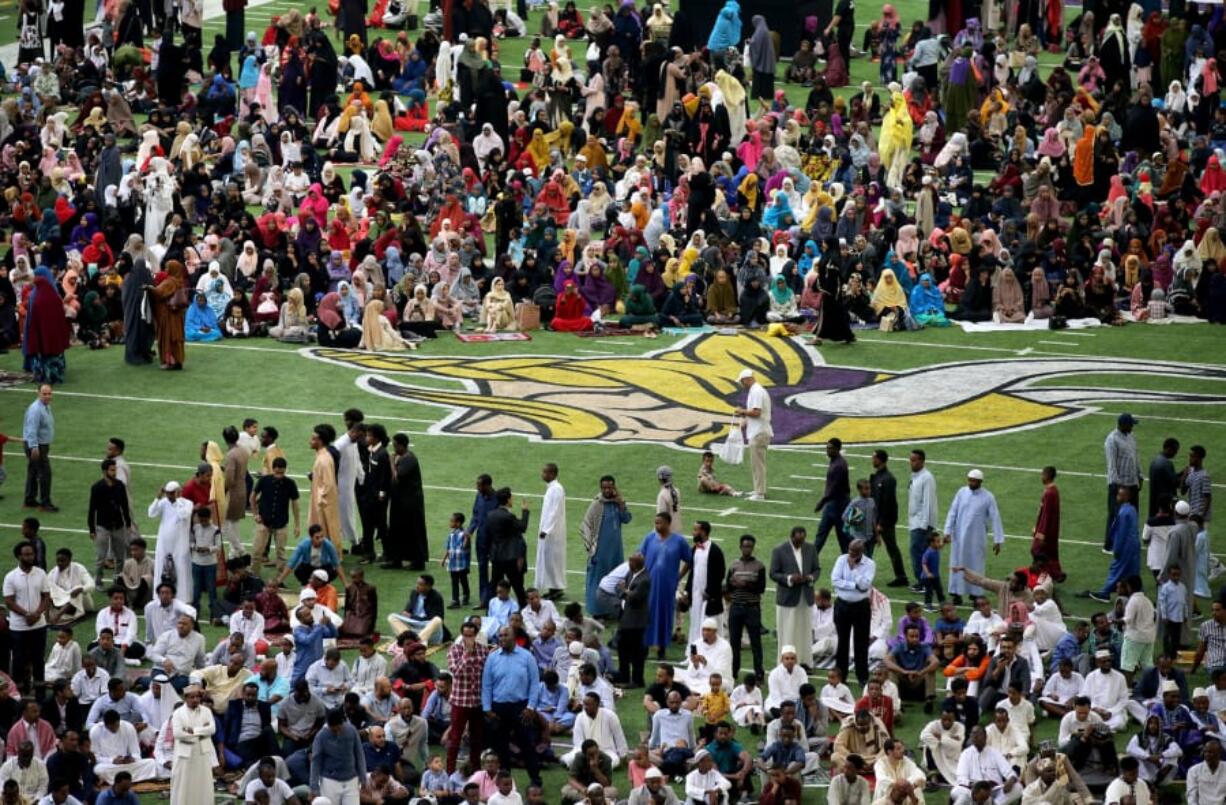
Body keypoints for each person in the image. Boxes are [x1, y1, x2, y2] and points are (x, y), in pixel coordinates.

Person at [481, 627, 542, 787]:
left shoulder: (527, 657)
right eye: (500, 635)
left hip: (521, 708)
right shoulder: (492, 658)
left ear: (514, 636)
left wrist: (531, 707)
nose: (502, 638)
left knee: (527, 745)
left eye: (506, 635)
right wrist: (487, 709)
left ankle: (535, 779)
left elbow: (535, 684)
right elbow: (486, 685)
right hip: (498, 709)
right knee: (500, 747)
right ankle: (505, 781)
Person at [944, 470, 1005, 606]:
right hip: (959, 537)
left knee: (976, 565)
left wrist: (998, 540)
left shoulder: (988, 497)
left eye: (974, 481)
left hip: (977, 539)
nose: (971, 483)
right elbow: (952, 512)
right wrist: (947, 531)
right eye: (969, 480)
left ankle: (975, 594)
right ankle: (956, 594)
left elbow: (995, 517)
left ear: (980, 482)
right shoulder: (961, 492)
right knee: (957, 564)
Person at [639, 513, 691, 661]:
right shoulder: (649, 538)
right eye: (655, 523)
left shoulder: (679, 541)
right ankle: (645, 647)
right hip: (649, 584)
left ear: (668, 524)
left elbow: (689, 560)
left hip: (667, 586)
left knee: (664, 615)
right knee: (647, 615)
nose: (657, 526)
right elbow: (640, 556)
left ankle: (662, 648)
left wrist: (678, 577)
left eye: (660, 523)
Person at [581, 476, 631, 619]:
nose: (607, 490)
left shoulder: (617, 503)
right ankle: (597, 611)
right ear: (600, 488)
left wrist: (621, 503)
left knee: (615, 580)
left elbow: (627, 519)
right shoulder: (597, 504)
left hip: (615, 550)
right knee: (597, 580)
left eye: (610, 487)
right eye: (604, 488)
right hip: (600, 551)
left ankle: (612, 610)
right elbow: (585, 527)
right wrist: (591, 550)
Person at [5, 541, 50, 693]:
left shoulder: (41, 573)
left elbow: (46, 596)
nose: (30, 557)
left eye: (32, 554)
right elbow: (9, 601)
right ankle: (19, 694)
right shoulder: (11, 577)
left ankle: (40, 694)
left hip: (39, 625)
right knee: (18, 660)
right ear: (19, 556)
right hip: (19, 627)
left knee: (38, 660)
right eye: (27, 554)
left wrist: (37, 614)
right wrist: (26, 614)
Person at [770, 527, 819, 669]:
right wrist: (790, 578)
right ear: (792, 537)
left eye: (802, 540)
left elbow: (817, 569)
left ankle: (805, 662)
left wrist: (810, 577)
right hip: (787, 597)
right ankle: (785, 662)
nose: (800, 543)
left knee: (805, 630)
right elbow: (773, 573)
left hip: (805, 596)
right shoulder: (779, 550)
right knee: (788, 631)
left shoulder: (810, 548)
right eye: (798, 540)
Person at [832, 539, 876, 687]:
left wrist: (855, 571)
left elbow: (864, 586)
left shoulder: (869, 564)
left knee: (861, 643)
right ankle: (841, 676)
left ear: (861, 552)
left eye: (854, 552)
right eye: (849, 550)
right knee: (842, 642)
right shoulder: (841, 559)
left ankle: (862, 677)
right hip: (842, 605)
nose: (850, 554)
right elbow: (835, 580)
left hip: (861, 607)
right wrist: (854, 585)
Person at [725, 535, 766, 682]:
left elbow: (761, 588)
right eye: (745, 546)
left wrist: (744, 584)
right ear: (740, 547)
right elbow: (727, 586)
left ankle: (759, 673)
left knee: (756, 643)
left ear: (753, 548)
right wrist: (730, 586)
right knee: (734, 643)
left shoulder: (759, 566)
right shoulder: (733, 565)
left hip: (752, 608)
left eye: (749, 546)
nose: (747, 549)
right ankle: (733, 672)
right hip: (736, 608)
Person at [170, 686, 218, 805]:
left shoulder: (206, 711)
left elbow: (212, 729)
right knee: (183, 784)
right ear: (185, 698)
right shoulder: (178, 713)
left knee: (202, 783)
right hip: (185, 755)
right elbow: (178, 734)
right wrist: (202, 732)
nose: (195, 700)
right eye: (192, 697)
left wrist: (194, 731)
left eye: (197, 697)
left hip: (202, 753)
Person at [310, 708, 366, 805]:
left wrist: (363, 777)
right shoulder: (320, 736)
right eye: (333, 730)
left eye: (339, 728)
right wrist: (314, 786)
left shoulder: (352, 730)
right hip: (330, 781)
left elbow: (359, 754)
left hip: (351, 780)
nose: (337, 732)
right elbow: (316, 761)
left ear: (342, 723)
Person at [870, 450, 909, 589]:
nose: (872, 460)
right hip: (876, 519)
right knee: (869, 546)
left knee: (891, 547)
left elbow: (888, 503)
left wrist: (881, 523)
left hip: (884, 521)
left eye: (874, 458)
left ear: (881, 460)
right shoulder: (878, 477)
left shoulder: (888, 479)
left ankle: (901, 576)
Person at [1105, 413, 1143, 551]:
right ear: (1123, 425)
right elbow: (1112, 465)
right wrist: (1118, 486)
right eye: (1131, 424)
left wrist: (1140, 475)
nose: (1132, 426)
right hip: (1119, 485)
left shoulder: (1131, 437)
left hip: (1132, 483)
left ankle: (1128, 542)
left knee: (1132, 514)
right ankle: (1109, 545)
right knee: (1115, 515)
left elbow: (1136, 456)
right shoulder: (1112, 440)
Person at [684, 521, 725, 648]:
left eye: (695, 530)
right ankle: (692, 655)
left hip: (709, 598)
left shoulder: (715, 551)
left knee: (708, 625)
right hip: (695, 596)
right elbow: (692, 571)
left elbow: (720, 573)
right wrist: (687, 591)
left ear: (703, 532)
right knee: (695, 624)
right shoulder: (695, 548)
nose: (693, 532)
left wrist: (709, 592)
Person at [733, 369, 772, 501]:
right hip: (758, 431)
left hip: (759, 432)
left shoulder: (756, 391)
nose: (741, 385)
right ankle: (758, 489)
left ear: (747, 379)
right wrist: (743, 420)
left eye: (742, 382)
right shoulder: (756, 391)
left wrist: (741, 411)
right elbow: (754, 413)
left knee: (758, 464)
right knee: (756, 463)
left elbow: (756, 412)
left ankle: (760, 493)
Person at [814, 438, 852, 567]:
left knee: (843, 538)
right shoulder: (835, 462)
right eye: (827, 447)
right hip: (832, 504)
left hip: (839, 505)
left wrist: (822, 501)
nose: (828, 450)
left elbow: (834, 487)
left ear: (838, 449)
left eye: (830, 448)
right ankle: (809, 562)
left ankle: (849, 564)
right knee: (821, 535)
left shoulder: (839, 465)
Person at [614, 554, 649, 688]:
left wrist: (624, 590)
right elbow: (618, 588)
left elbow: (635, 598)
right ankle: (624, 675)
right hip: (626, 618)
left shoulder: (644, 579)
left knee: (637, 652)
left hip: (636, 622)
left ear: (636, 564)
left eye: (631, 562)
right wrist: (625, 591)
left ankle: (637, 680)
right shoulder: (631, 573)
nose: (628, 564)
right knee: (622, 649)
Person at [907, 450, 938, 596]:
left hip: (922, 523)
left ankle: (924, 583)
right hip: (916, 521)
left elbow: (928, 503)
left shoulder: (927, 478)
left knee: (918, 552)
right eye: (910, 460)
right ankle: (922, 582)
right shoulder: (916, 477)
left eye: (914, 460)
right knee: (918, 553)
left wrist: (924, 525)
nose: (911, 463)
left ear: (922, 461)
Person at [534, 464, 566, 599]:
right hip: (549, 532)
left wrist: (546, 529)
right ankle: (553, 587)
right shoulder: (552, 489)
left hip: (552, 533)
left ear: (552, 474)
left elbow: (555, 511)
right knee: (549, 560)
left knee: (552, 560)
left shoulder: (557, 489)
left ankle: (556, 588)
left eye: (545, 472)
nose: (542, 475)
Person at [23, 385, 56, 512]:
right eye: (44, 394)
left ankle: (30, 499)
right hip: (37, 446)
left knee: (33, 471)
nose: (48, 396)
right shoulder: (36, 409)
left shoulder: (45, 406)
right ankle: (45, 503)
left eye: (49, 393)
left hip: (40, 445)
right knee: (45, 473)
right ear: (38, 393)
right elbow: (31, 430)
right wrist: (34, 447)